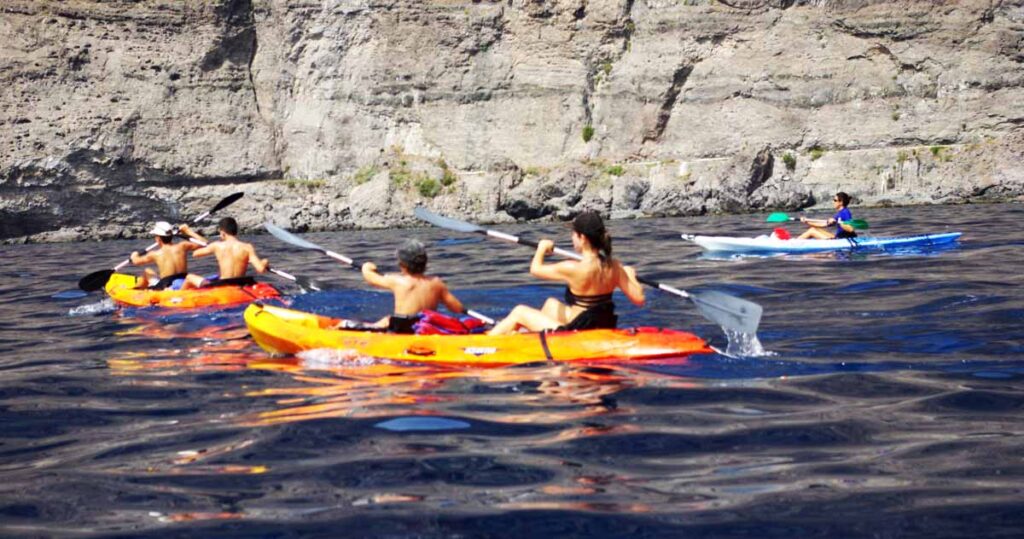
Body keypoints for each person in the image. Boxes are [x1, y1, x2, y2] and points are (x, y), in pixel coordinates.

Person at [488, 211, 645, 335]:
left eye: (574, 234)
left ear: (582, 238)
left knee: (520, 311)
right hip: (600, 324)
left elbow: (535, 269)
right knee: (551, 304)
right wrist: (630, 275)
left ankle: (487, 341)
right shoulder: (615, 266)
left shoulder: (573, 268)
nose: (572, 238)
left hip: (577, 331)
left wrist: (541, 248)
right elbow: (639, 299)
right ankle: (534, 337)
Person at [358, 239, 465, 333]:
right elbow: (457, 308)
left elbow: (372, 279)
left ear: (403, 265)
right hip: (427, 327)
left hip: (402, 328)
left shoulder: (397, 281)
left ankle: (366, 331)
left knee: (388, 320)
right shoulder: (436, 283)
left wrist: (366, 268)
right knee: (387, 319)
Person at [182, 217, 269, 289]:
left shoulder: (217, 246)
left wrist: (189, 232)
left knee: (189, 277)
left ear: (223, 233)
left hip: (223, 285)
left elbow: (195, 254)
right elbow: (260, 269)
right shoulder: (247, 247)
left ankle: (177, 298)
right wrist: (265, 262)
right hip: (240, 285)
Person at [130, 221, 207, 290]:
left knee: (146, 272)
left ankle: (137, 291)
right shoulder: (182, 246)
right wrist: (188, 231)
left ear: (158, 238)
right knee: (148, 271)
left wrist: (134, 255)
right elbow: (204, 243)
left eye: (155, 236)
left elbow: (136, 261)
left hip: (166, 285)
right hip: (183, 280)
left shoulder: (155, 254)